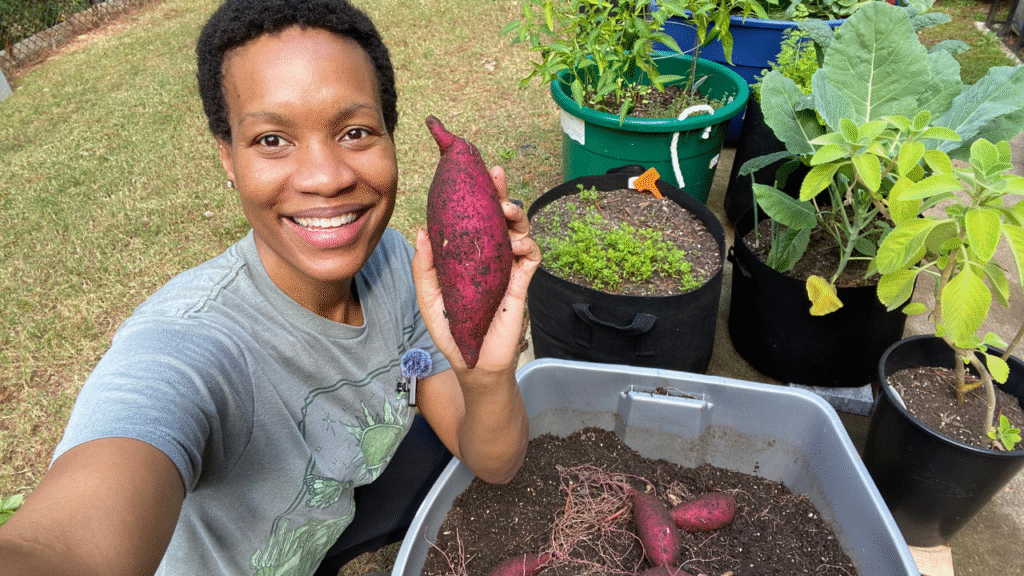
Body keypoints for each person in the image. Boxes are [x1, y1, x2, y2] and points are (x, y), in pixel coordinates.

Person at [0, 0, 541, 574]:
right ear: (227, 157)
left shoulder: (394, 265)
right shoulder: (191, 349)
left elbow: (494, 461)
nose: (326, 177)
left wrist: (485, 373)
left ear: (390, 139)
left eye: (355, 131)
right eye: (271, 140)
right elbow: (64, 546)